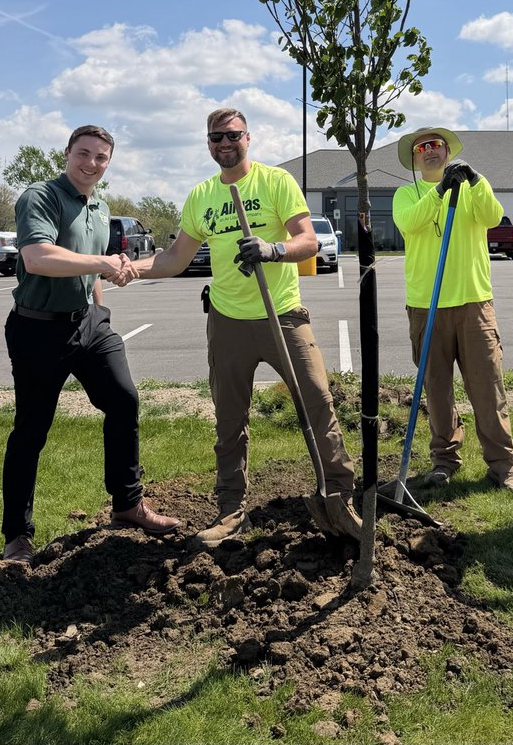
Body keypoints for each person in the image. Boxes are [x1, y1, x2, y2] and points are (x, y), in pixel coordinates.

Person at [135, 108, 360, 543]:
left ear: (248, 138)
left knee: (317, 403)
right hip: (227, 321)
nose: (225, 143)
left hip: (283, 316)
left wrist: (273, 249)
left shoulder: (276, 182)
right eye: (216, 137)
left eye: (233, 135)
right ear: (208, 143)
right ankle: (231, 510)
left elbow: (308, 240)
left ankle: (338, 497)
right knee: (229, 419)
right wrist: (131, 269)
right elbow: (176, 258)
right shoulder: (201, 195)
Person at [1, 126, 180, 563]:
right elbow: (37, 258)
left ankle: (127, 504)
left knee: (123, 400)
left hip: (88, 323)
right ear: (67, 153)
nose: (92, 164)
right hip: (38, 328)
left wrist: (99, 311)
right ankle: (17, 536)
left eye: (101, 158)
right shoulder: (41, 196)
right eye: (84, 154)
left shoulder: (100, 207)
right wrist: (104, 262)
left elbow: (91, 272)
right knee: (32, 430)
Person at [391, 127, 513, 493]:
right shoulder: (406, 194)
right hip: (426, 304)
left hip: (473, 301)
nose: (430, 151)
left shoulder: (473, 187)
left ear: (448, 152)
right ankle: (444, 460)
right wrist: (440, 191)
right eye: (423, 147)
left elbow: (493, 216)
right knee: (436, 389)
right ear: (415, 158)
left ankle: (503, 465)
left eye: (437, 145)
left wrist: (475, 180)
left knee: (487, 387)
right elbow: (410, 223)